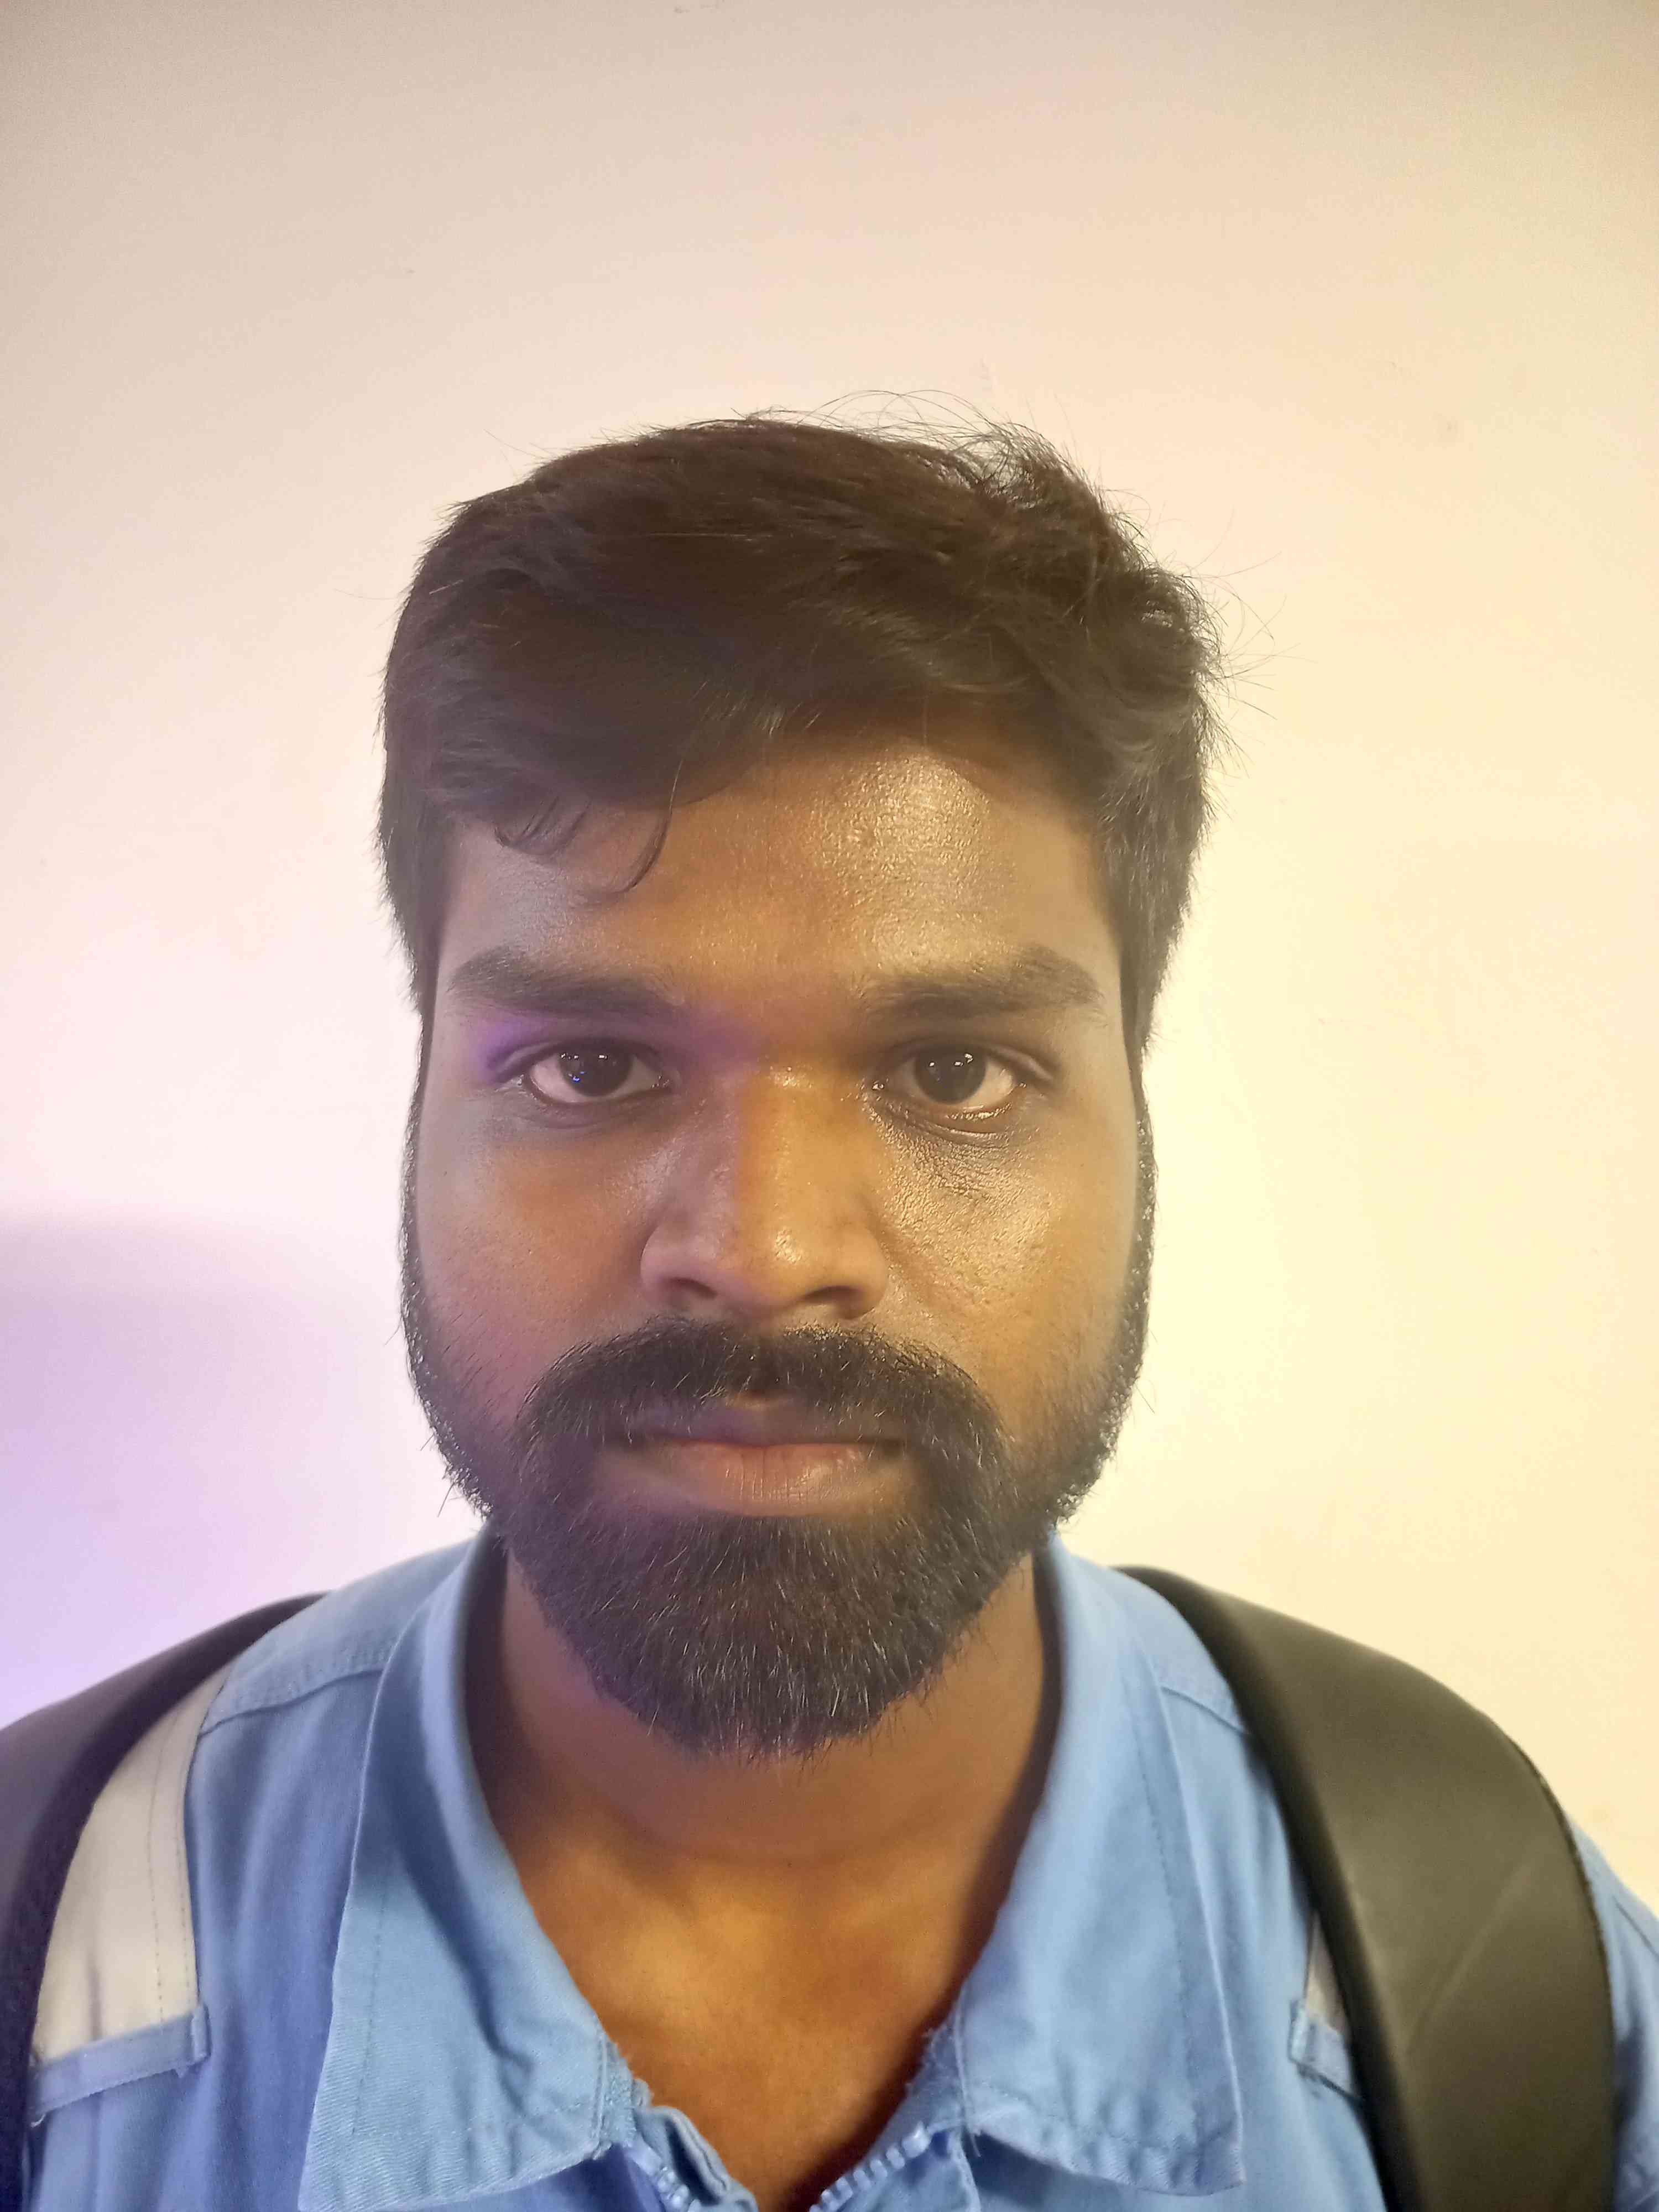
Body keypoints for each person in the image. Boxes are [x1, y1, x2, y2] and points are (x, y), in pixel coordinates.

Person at [20, 413, 1659, 2211]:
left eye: (952, 1070)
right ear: (418, 1098)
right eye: (587, 1066)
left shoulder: (1502, 1981)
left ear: (1139, 1114)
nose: (763, 1248)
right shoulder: (51, 1945)